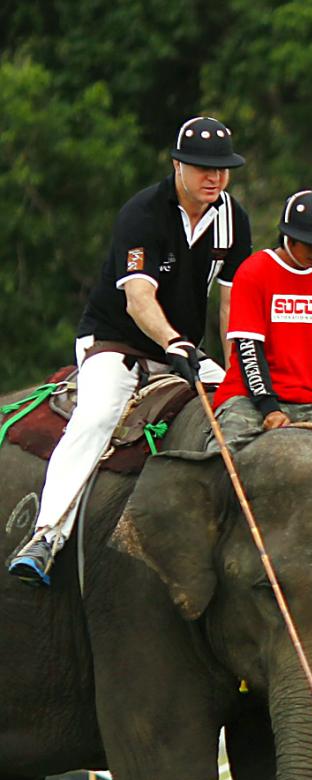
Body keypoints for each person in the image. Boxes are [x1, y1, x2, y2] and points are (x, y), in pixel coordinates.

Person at [9, 116, 251, 586]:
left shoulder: (232, 219)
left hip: (181, 349)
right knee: (98, 416)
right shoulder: (143, 213)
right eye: (203, 167)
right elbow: (139, 298)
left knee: (242, 409)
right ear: (177, 165)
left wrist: (237, 371)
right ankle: (45, 536)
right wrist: (172, 342)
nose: (215, 177)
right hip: (114, 343)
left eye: (223, 168)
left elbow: (231, 305)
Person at [212, 190, 312, 447]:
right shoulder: (254, 271)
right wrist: (269, 407)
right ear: (290, 237)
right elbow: (248, 348)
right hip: (249, 399)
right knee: (224, 454)